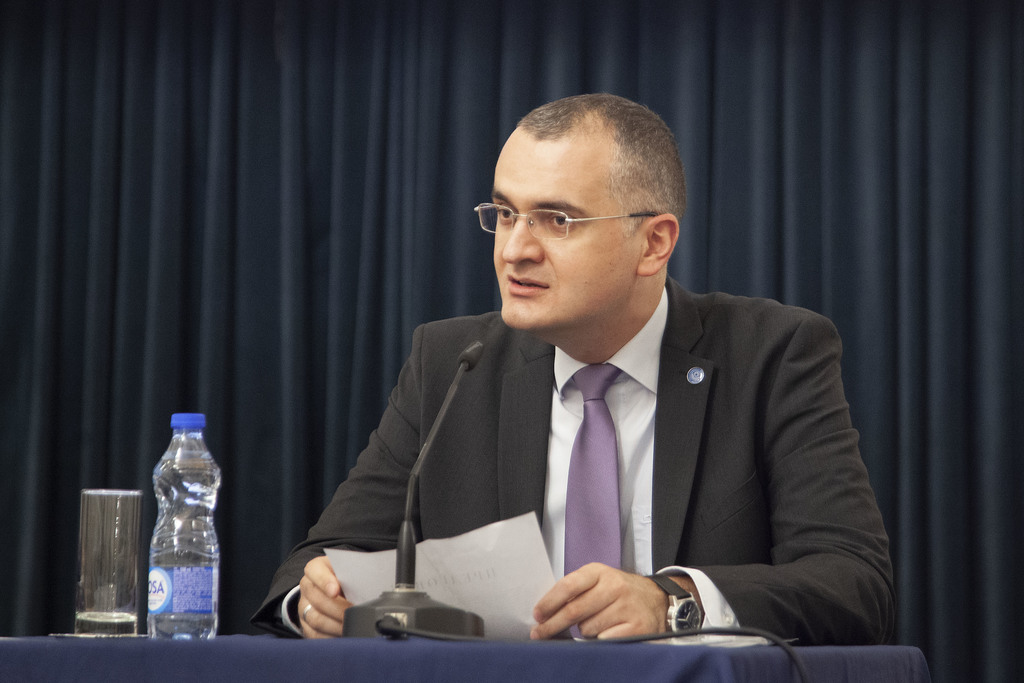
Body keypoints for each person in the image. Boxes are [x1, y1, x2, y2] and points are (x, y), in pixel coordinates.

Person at [251, 93, 895, 644]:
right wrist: (315, 600)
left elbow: (853, 583)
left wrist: (672, 601)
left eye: (557, 220)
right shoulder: (451, 365)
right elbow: (316, 561)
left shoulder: (772, 355)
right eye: (505, 214)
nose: (515, 250)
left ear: (654, 243)